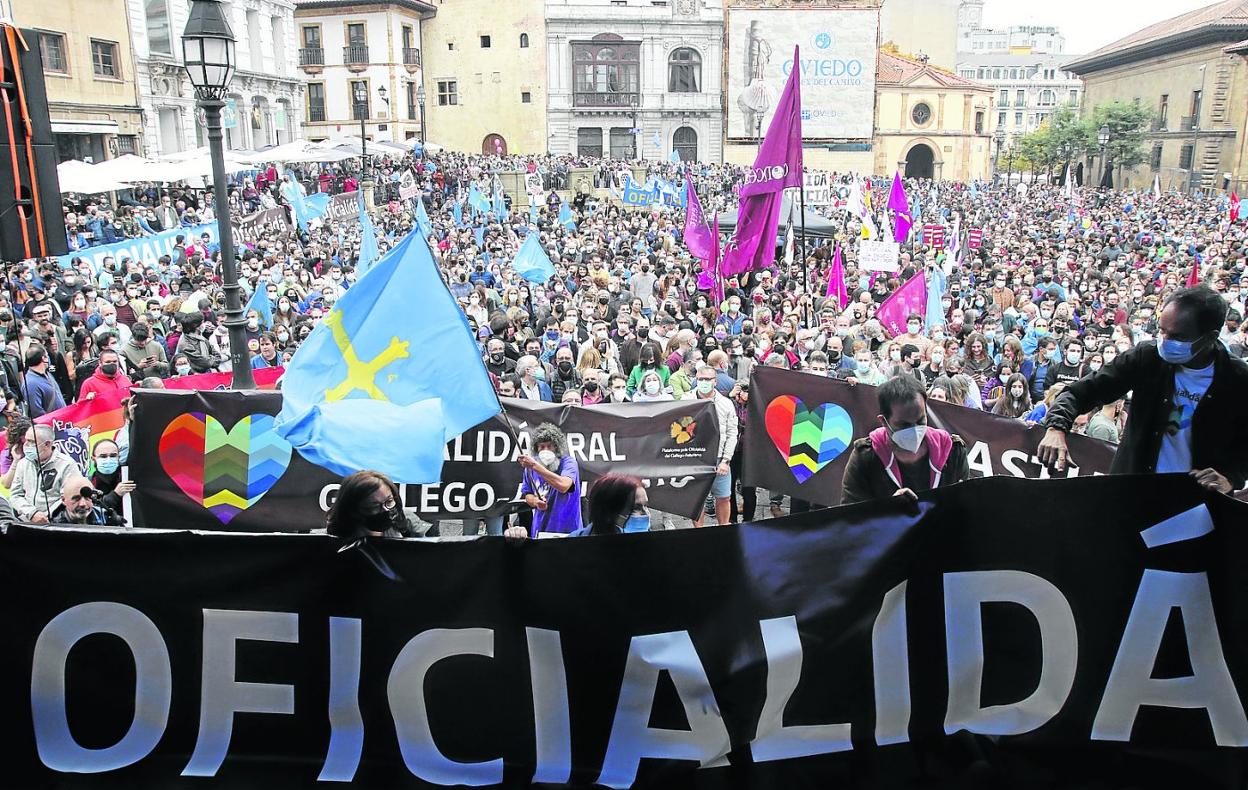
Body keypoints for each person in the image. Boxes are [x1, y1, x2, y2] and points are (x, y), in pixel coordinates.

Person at [1040, 286, 1248, 494]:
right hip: (1133, 492)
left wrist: (1231, 477)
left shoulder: (1238, 379)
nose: (1165, 341)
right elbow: (1080, 392)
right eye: (1162, 331)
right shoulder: (1146, 357)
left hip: (1197, 504)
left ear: (1210, 337)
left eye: (1177, 336)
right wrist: (1056, 428)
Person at [840, 375, 970, 505]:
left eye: (920, 421)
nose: (914, 430)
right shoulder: (865, 456)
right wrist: (889, 510)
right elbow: (850, 516)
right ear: (883, 421)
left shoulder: (953, 451)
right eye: (904, 425)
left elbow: (966, 506)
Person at [682, 364, 738, 527]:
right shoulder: (685, 401)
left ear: (715, 381)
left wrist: (726, 460)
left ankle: (723, 528)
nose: (704, 382)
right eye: (701, 379)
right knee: (697, 499)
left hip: (719, 458)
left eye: (708, 379)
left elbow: (732, 433)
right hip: (694, 458)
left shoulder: (726, 404)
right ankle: (699, 532)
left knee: (724, 496)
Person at [518, 423, 582, 535]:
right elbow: (527, 494)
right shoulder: (530, 467)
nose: (546, 450)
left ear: (557, 447)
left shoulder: (568, 463)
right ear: (536, 449)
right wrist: (535, 501)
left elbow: (564, 486)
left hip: (568, 530)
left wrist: (535, 466)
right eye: (542, 447)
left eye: (550, 446)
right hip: (541, 529)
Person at [10, 424, 82, 523]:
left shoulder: (67, 464)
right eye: (26, 440)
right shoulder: (23, 463)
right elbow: (15, 495)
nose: (26, 445)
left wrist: (45, 517)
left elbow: (69, 497)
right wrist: (32, 513)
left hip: (57, 523)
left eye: (31, 441)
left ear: (47, 444)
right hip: (26, 522)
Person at [325, 470, 420, 540]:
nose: (385, 509)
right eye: (374, 506)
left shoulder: (406, 523)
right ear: (353, 509)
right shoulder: (332, 543)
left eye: (389, 501)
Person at [51, 474, 126, 526]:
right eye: (76, 499)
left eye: (87, 498)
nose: (83, 504)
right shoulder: (53, 525)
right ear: (63, 500)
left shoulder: (105, 518)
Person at [23, 345, 65, 417]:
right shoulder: (30, 384)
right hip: (51, 425)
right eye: (47, 356)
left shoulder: (47, 374)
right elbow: (37, 412)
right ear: (43, 358)